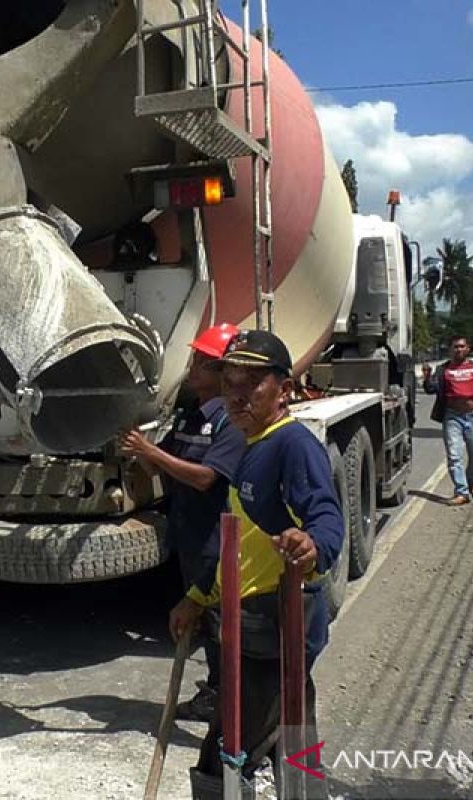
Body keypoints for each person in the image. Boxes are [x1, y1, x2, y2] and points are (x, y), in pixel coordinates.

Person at [168, 329, 344, 799]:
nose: (237, 394)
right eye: (229, 382)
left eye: (252, 383)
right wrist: (195, 595)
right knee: (294, 736)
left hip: (275, 627)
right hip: (251, 623)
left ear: (284, 389)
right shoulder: (252, 443)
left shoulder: (292, 445)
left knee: (226, 752)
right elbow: (236, 540)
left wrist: (311, 545)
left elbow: (326, 514)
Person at [119, 323, 247, 722]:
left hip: (218, 538)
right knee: (207, 622)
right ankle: (219, 693)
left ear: (224, 372)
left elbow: (206, 477)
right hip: (190, 535)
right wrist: (138, 450)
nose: (192, 367)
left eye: (201, 362)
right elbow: (167, 463)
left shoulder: (231, 422)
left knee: (224, 623)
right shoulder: (192, 416)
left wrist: (151, 453)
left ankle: (235, 704)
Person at [422, 335, 473, 505]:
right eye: (455, 347)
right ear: (450, 349)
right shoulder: (444, 370)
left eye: (462, 346)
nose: (458, 349)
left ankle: (470, 485)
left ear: (468, 349)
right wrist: (427, 376)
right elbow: (431, 389)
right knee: (454, 455)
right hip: (452, 417)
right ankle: (461, 492)